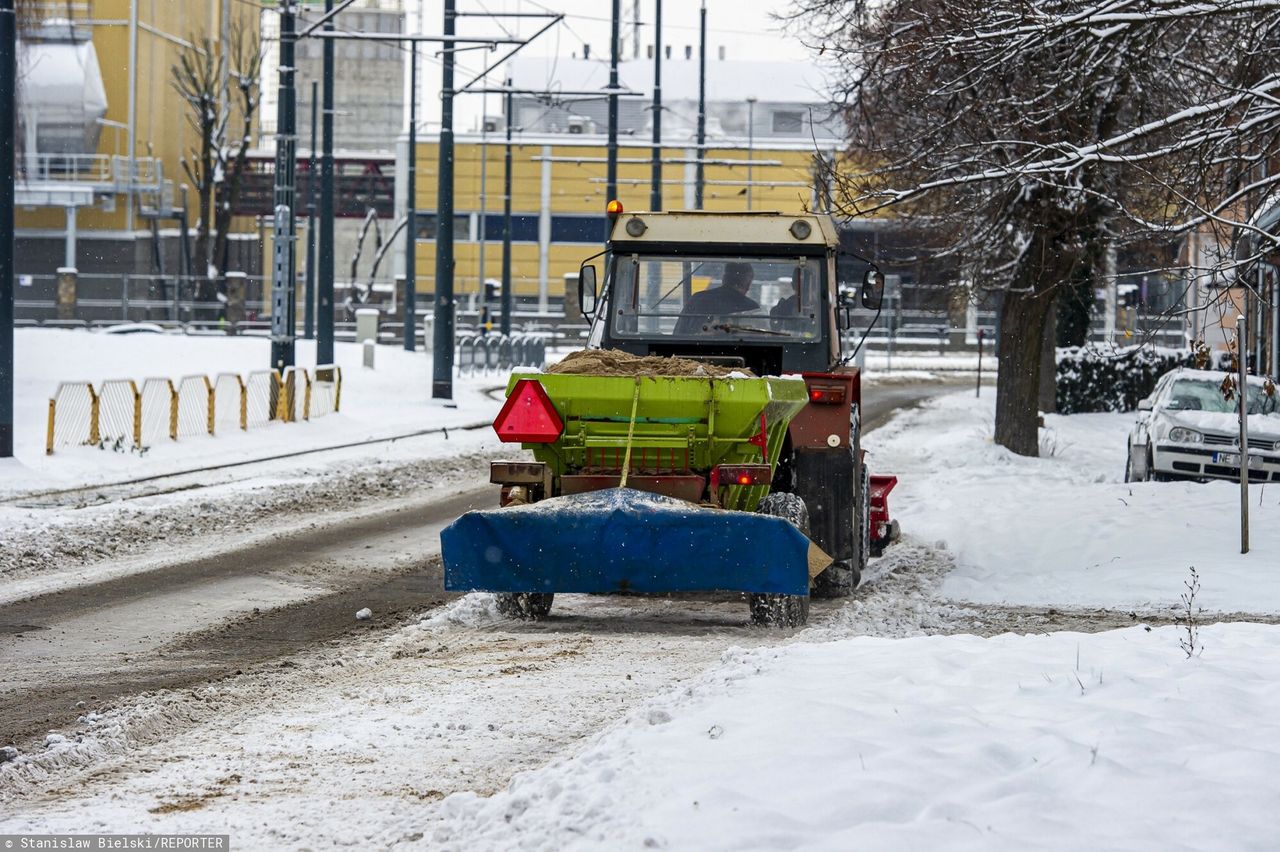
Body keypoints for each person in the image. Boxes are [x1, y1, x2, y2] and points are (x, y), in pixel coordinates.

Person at [673, 262, 759, 334]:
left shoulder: (697, 299)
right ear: (748, 283)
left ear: (724, 278)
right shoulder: (751, 307)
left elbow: (678, 334)